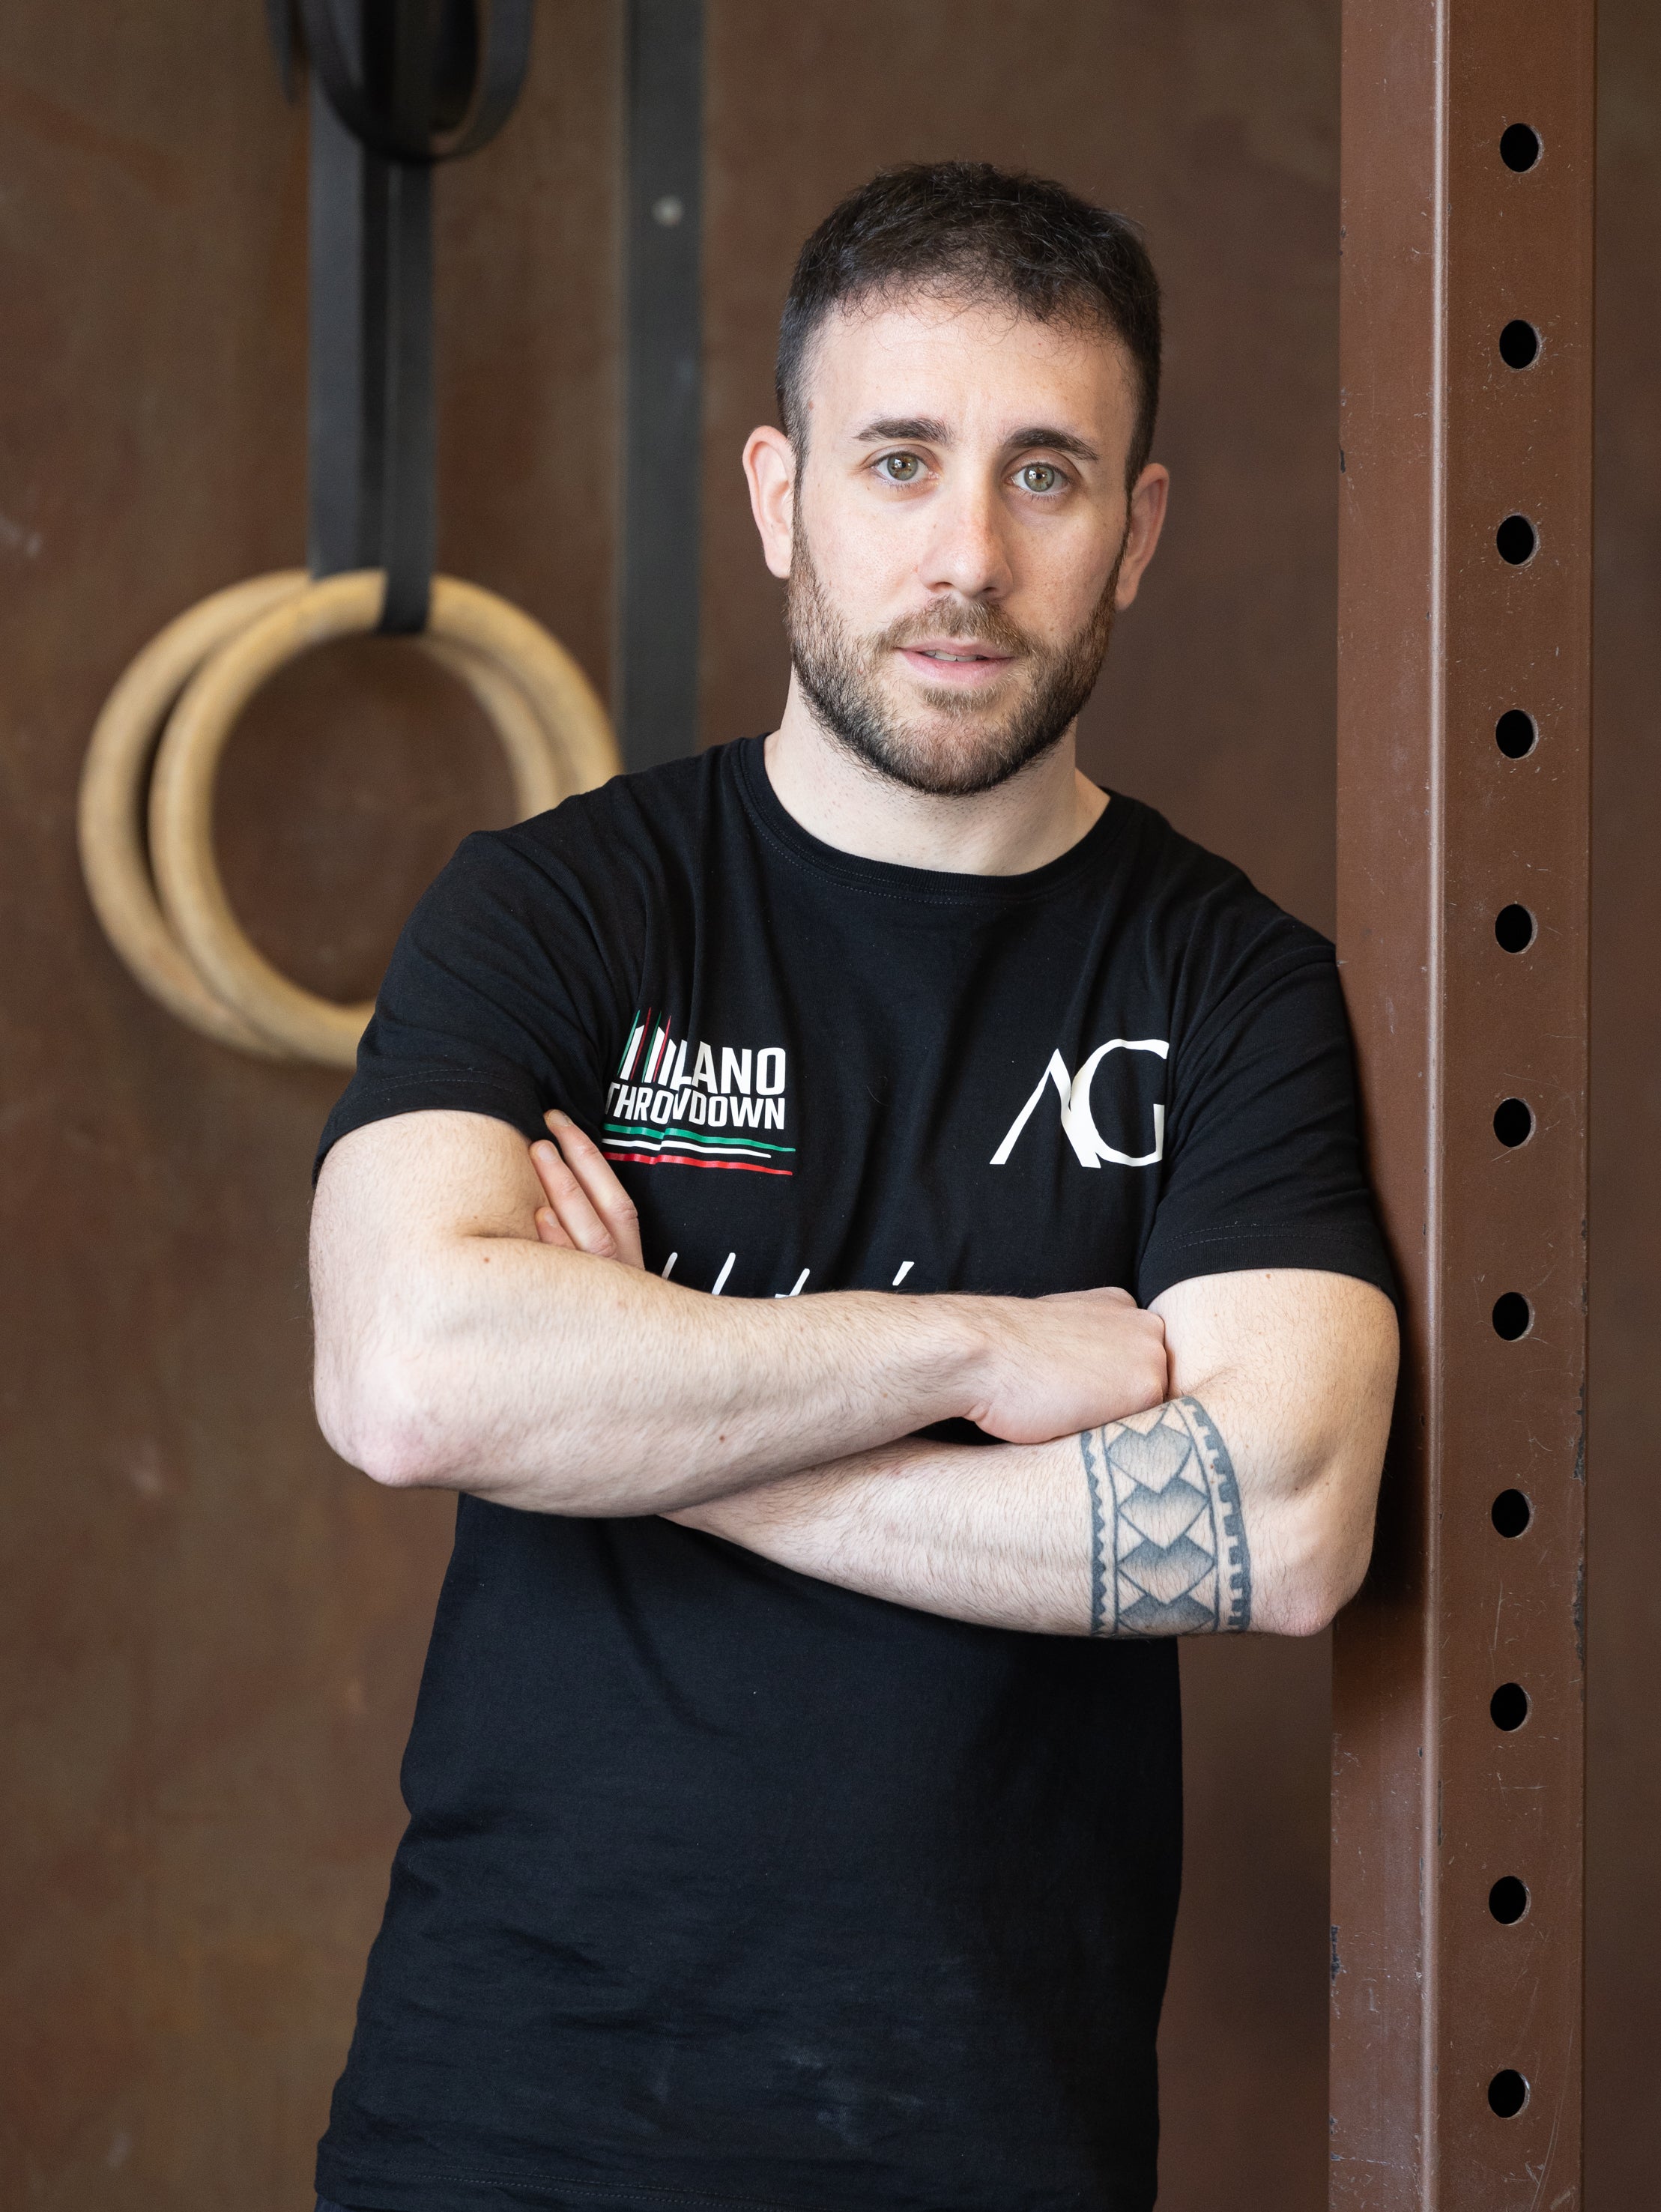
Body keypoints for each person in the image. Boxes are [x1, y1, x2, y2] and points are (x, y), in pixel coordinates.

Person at [307, 160, 1398, 2212]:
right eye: (899, 461)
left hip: (992, 2145)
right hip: (504, 2133)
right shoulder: (561, 909)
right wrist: (976, 1349)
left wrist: (654, 1427)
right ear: (780, 494)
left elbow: (1280, 1523)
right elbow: (408, 1374)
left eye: (1046, 475)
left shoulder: (1228, 984)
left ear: (1138, 530)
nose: (967, 555)